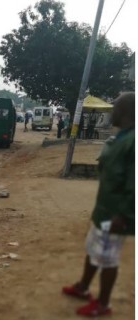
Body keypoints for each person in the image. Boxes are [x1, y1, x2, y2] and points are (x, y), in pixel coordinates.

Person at [62, 92, 135, 317]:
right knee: (92, 249)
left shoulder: (133, 141)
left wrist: (123, 216)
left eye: (115, 108)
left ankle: (103, 304)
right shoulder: (119, 137)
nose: (111, 111)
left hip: (116, 215)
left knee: (108, 259)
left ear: (126, 113)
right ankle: (83, 287)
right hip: (103, 210)